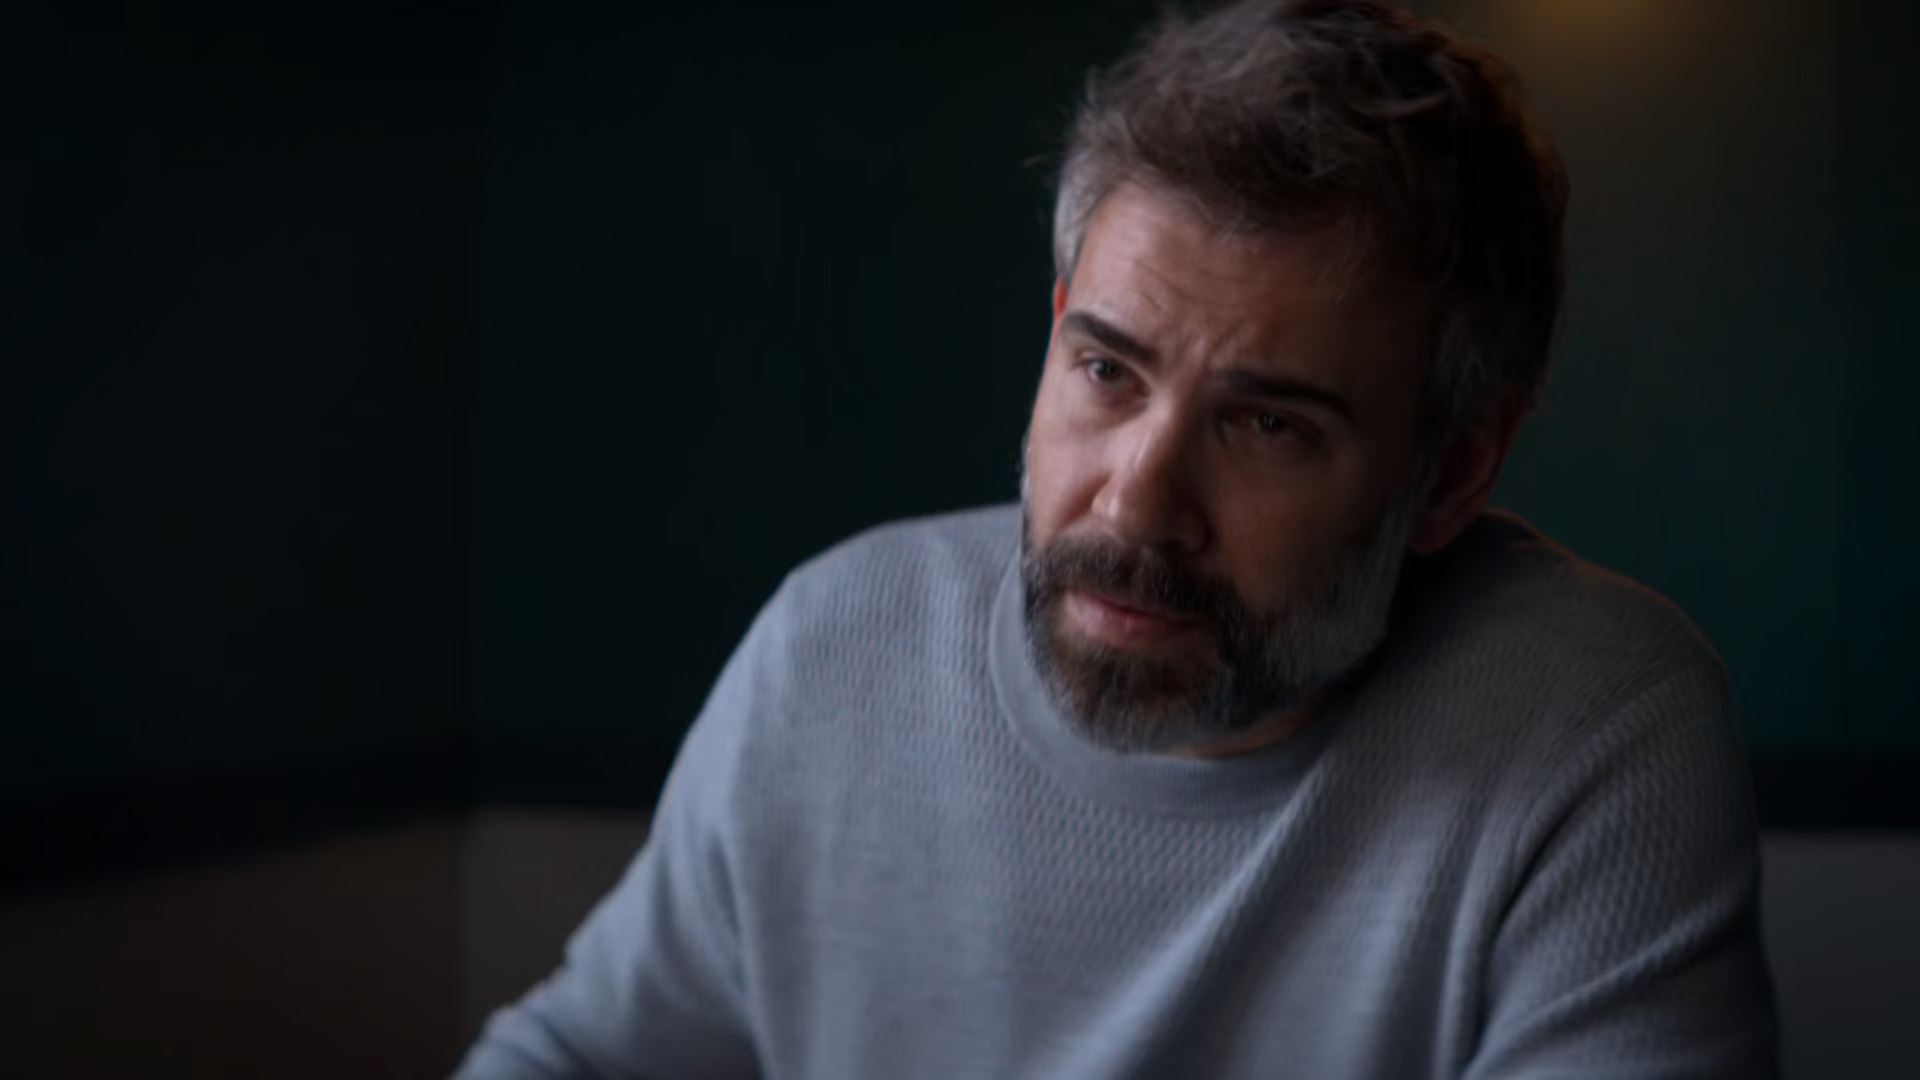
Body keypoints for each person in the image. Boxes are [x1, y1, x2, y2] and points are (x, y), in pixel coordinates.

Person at [454, 0, 1778, 1076]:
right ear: (1055, 335)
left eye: (1268, 426)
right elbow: (583, 1055)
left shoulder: (1594, 727)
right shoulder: (833, 643)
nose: (1137, 506)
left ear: (1453, 473)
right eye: (1106, 371)